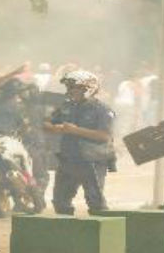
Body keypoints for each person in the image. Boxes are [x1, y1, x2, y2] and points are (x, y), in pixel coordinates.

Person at [44, 70, 115, 215]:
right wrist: (54, 128)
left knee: (95, 201)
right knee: (60, 201)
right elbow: (47, 123)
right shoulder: (67, 106)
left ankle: (101, 232)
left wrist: (75, 130)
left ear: (87, 89)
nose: (69, 91)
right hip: (68, 159)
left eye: (73, 87)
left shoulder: (102, 110)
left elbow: (104, 136)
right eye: (68, 87)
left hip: (92, 161)